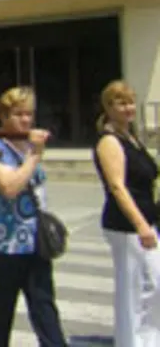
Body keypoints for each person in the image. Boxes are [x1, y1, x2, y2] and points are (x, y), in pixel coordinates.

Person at [0, 86, 66, 347]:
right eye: (19, 114)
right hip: (4, 245)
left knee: (44, 308)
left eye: (29, 114)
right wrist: (34, 156)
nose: (26, 120)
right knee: (0, 315)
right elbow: (9, 187)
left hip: (34, 242)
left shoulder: (27, 145)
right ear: (4, 115)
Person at [93, 80, 160, 347]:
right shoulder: (109, 141)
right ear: (108, 108)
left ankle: (150, 339)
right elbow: (117, 187)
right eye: (120, 103)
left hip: (147, 220)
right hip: (126, 225)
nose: (128, 108)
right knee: (134, 291)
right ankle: (131, 342)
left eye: (130, 102)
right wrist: (141, 225)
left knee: (153, 286)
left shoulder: (131, 137)